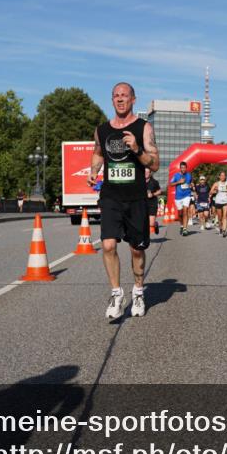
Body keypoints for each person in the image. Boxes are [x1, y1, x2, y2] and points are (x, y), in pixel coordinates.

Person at [88, 82, 160, 320]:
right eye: (116, 96)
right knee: (108, 245)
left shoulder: (143, 128)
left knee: (137, 250)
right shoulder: (102, 130)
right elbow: (98, 152)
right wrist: (94, 171)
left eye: (124, 96)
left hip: (136, 198)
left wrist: (137, 149)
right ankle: (116, 294)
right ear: (112, 100)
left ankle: (138, 291)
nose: (120, 99)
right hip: (111, 196)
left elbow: (155, 164)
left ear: (133, 100)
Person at [171, 161, 193, 236]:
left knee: (185, 211)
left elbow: (191, 183)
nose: (183, 169)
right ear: (180, 168)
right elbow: (171, 184)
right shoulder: (176, 175)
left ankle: (185, 229)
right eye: (182, 168)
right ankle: (181, 225)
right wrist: (179, 182)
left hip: (187, 195)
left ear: (186, 168)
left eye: (184, 168)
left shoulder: (189, 175)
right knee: (180, 214)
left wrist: (191, 185)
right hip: (178, 197)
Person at [144, 167, 162, 236]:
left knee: (151, 223)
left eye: (147, 172)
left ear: (150, 173)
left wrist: (153, 194)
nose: (146, 173)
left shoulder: (154, 182)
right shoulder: (140, 182)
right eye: (145, 172)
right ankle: (145, 238)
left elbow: (159, 191)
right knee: (142, 222)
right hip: (142, 204)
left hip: (152, 204)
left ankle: (155, 224)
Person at [212, 170, 227, 236]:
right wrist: (215, 191)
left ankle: (224, 230)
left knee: (224, 216)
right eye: (221, 175)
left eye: (224, 175)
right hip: (218, 201)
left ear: (225, 177)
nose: (223, 177)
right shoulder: (216, 183)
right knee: (220, 218)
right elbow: (210, 192)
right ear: (219, 176)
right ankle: (220, 229)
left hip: (226, 201)